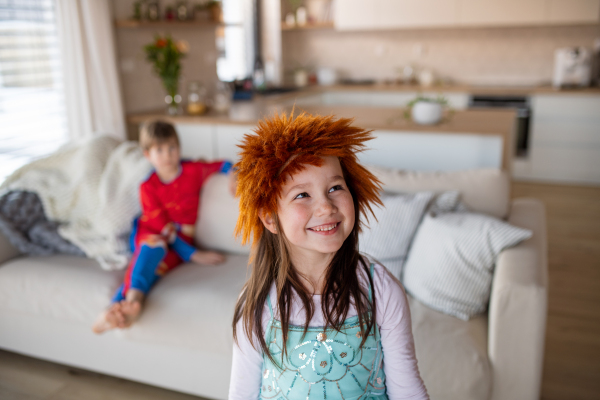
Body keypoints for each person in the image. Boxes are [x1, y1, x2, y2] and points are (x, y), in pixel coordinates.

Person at [229, 112, 429, 399]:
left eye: (335, 188)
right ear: (270, 219)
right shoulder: (257, 302)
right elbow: (242, 394)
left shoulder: (381, 290)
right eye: (302, 195)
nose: (326, 207)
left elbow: (408, 391)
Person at [93, 120, 234, 334]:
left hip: (179, 245)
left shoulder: (193, 171)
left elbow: (223, 164)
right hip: (153, 234)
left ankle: (115, 308)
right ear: (148, 155)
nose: (167, 155)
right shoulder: (148, 187)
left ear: (179, 148)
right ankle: (132, 302)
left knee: (152, 269)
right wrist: (194, 255)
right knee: (153, 248)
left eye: (171, 148)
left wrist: (235, 173)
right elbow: (165, 232)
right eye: (159, 150)